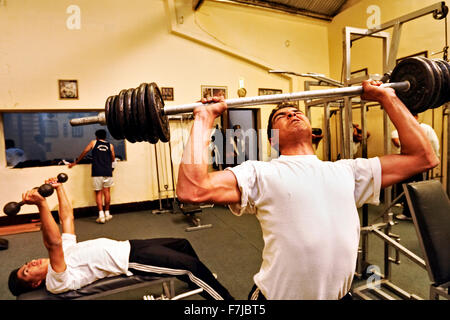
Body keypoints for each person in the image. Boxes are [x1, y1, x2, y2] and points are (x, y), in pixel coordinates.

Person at [176, 80, 439, 300]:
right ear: (272, 140)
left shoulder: (348, 171)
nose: (292, 114)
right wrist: (204, 118)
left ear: (313, 132)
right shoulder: (259, 172)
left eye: (296, 112)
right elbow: (193, 189)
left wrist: (386, 96)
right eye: (281, 115)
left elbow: (423, 158)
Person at [8, 179, 234, 300]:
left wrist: (60, 189)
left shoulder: (65, 254)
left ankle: (197, 280)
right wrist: (41, 204)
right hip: (131, 261)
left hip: (128, 245)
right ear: (36, 283)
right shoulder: (56, 280)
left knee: (182, 244)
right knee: (191, 267)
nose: (30, 264)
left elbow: (67, 218)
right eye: (27, 271)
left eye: (25, 264)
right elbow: (53, 243)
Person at [391, 113, 440, 220]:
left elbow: (435, 143)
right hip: (408, 163)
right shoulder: (402, 128)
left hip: (420, 163)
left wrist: (434, 158)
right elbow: (398, 144)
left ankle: (420, 214)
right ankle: (409, 213)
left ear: (416, 117)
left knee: (419, 187)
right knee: (408, 187)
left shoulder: (425, 128)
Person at [68, 129, 115, 224]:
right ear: (105, 136)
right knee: (107, 192)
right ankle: (107, 213)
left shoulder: (94, 142)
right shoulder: (110, 145)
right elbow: (113, 158)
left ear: (96, 136)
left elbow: (84, 152)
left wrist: (76, 162)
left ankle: (101, 216)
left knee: (98, 193)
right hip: (107, 171)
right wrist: (109, 165)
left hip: (97, 171)